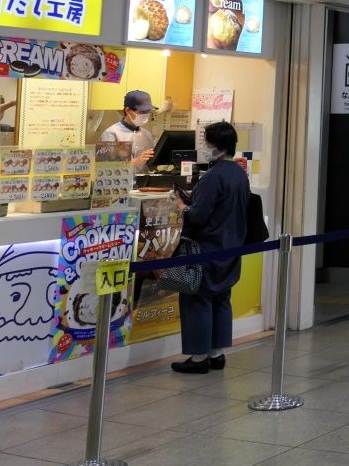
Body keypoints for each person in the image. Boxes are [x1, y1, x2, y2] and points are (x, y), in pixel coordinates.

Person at [171, 121, 249, 373]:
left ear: (215, 145)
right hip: (230, 247)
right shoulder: (238, 173)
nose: (204, 147)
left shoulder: (213, 176)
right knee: (222, 299)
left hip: (205, 247)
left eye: (206, 143)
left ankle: (198, 357)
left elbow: (199, 216)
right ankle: (217, 354)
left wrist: (182, 207)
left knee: (197, 299)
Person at [100, 90, 157, 168]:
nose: (145, 115)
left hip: (143, 179)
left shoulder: (147, 134)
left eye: (148, 111)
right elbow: (104, 167)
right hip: (121, 179)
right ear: (128, 110)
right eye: (142, 111)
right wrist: (135, 162)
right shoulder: (111, 134)